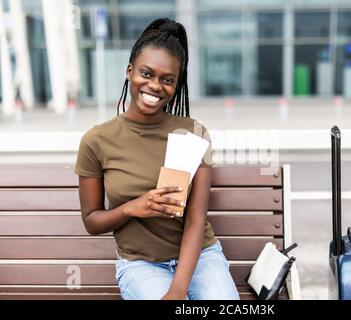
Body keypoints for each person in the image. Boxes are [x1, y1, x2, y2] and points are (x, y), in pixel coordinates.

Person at [74, 18, 239, 300]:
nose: (155, 86)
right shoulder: (97, 140)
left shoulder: (193, 133)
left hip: (200, 256)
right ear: (129, 71)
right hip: (141, 264)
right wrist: (132, 208)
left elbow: (196, 221)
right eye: (146, 73)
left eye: (167, 80)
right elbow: (92, 221)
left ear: (176, 85)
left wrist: (178, 290)